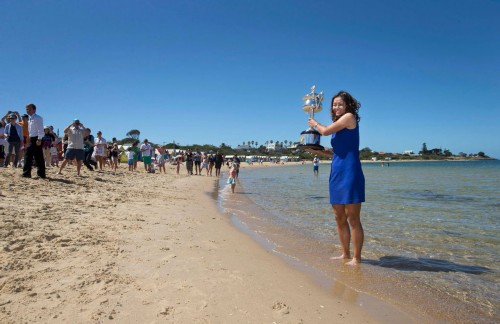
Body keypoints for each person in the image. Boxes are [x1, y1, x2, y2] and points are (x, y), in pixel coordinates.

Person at [308, 90, 365, 266]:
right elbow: (336, 154)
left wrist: (314, 123)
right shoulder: (338, 124)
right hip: (337, 171)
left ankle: (357, 258)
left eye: (340, 104)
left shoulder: (349, 117)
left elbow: (324, 132)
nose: (337, 107)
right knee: (339, 216)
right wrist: (317, 151)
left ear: (347, 105)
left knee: (352, 217)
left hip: (351, 171)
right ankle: (345, 254)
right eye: (334, 104)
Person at [22, 104, 46, 179]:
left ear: (34, 110)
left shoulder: (37, 118)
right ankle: (41, 174)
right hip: (32, 138)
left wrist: (39, 139)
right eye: (26, 109)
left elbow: (40, 129)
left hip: (36, 139)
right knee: (37, 156)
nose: (27, 110)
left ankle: (27, 173)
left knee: (29, 155)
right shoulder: (30, 119)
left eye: (29, 109)